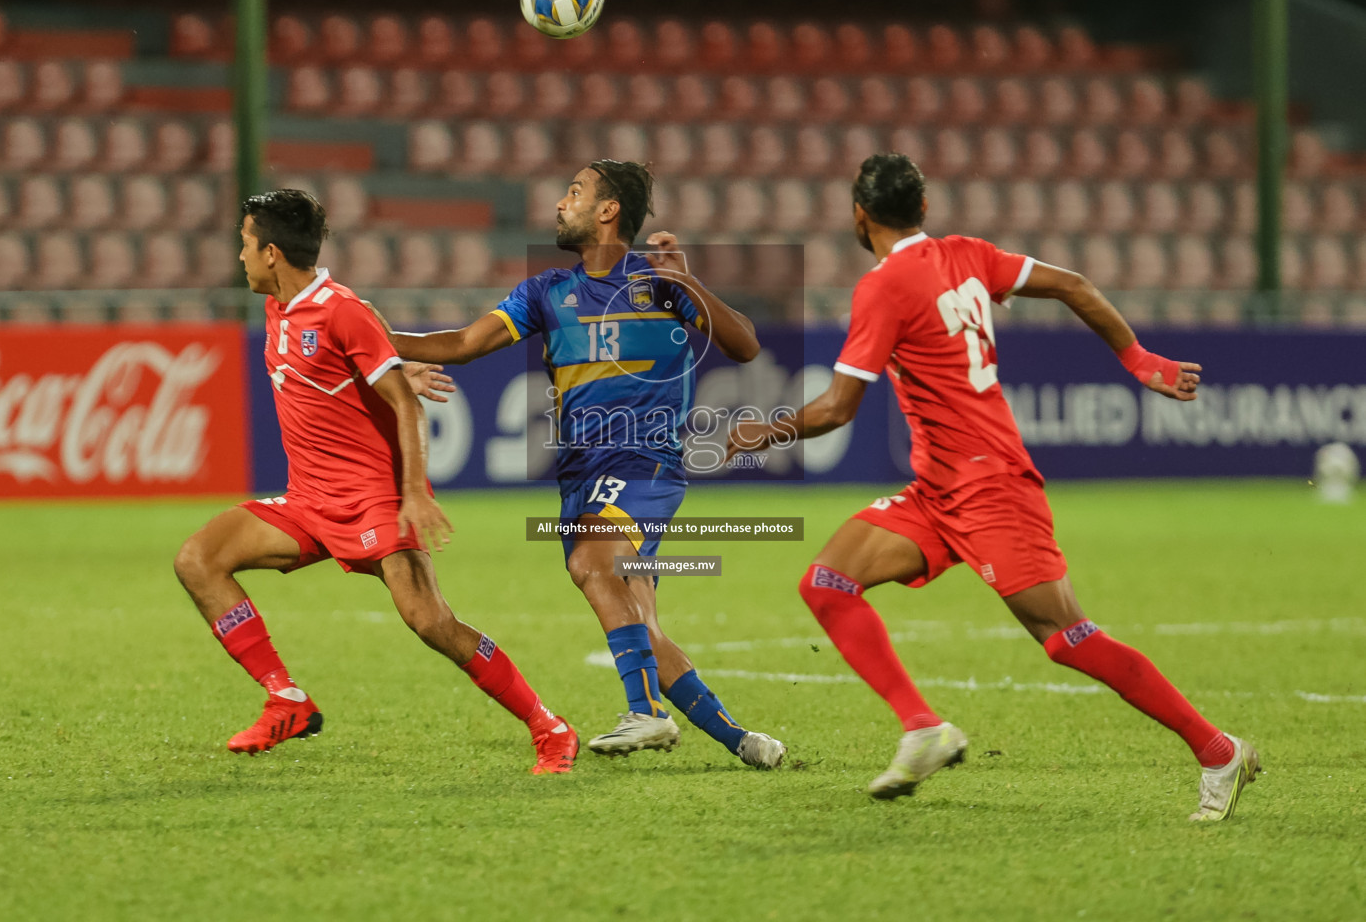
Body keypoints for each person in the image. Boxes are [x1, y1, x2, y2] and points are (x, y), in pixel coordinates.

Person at [726, 153, 1259, 821]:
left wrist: (765, 430)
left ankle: (1217, 750)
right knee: (828, 581)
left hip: (991, 488)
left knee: (1066, 638)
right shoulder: (967, 254)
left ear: (858, 216)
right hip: (937, 489)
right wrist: (1140, 360)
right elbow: (1073, 284)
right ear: (922, 209)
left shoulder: (883, 286)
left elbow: (836, 409)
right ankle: (922, 728)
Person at [377, 160, 787, 768]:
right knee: (639, 625)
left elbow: (746, 345)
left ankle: (646, 714)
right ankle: (747, 743)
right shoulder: (546, 292)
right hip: (580, 474)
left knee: (591, 559)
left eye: (574, 193)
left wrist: (691, 282)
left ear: (607, 210)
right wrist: (368, 335)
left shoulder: (660, 283)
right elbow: (462, 344)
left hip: (645, 460)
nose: (559, 204)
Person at [173, 189, 577, 775]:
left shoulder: (340, 309)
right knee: (198, 560)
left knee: (431, 622)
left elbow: (407, 407)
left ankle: (550, 727)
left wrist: (413, 491)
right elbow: (363, 369)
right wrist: (390, 365)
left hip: (374, 502)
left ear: (271, 254)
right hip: (309, 501)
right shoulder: (279, 305)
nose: (238, 256)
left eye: (243, 244)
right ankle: (285, 698)